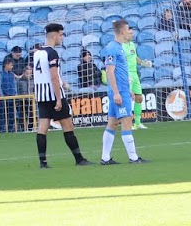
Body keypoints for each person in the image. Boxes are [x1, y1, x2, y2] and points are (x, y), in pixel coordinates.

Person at [31, 22, 88, 168]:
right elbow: (53, 77)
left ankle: (42, 162)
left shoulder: (37, 52)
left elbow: (43, 74)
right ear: (55, 35)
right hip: (53, 95)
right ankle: (79, 159)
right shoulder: (52, 53)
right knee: (67, 126)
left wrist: (62, 81)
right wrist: (58, 98)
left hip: (41, 95)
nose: (62, 38)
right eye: (61, 34)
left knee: (42, 128)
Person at [100, 19, 144, 165]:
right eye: (128, 29)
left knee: (112, 123)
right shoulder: (113, 48)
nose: (130, 32)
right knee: (127, 121)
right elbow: (110, 71)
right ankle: (133, 157)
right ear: (122, 31)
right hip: (118, 92)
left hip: (123, 90)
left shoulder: (118, 47)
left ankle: (105, 158)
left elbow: (120, 72)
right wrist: (117, 93)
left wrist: (129, 90)